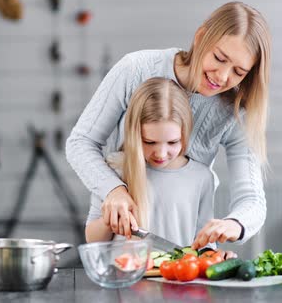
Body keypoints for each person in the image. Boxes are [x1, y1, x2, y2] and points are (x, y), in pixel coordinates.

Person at [66, 1, 271, 251]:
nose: (222, 76)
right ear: (201, 37)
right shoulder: (135, 70)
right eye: (219, 58)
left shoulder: (235, 111)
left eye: (238, 72)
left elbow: (252, 201)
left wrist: (234, 224)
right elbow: (81, 143)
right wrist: (114, 190)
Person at [85, 78, 217, 251]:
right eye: (149, 142)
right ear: (134, 134)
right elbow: (92, 240)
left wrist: (216, 258)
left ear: (185, 133)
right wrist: (109, 220)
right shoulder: (114, 168)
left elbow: (206, 244)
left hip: (178, 276)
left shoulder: (202, 177)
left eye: (172, 142)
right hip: (124, 275)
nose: (161, 154)